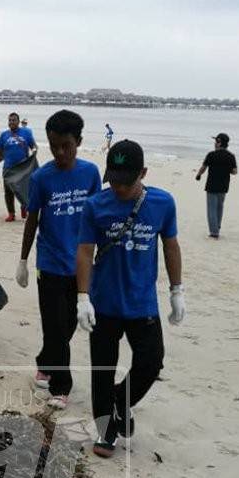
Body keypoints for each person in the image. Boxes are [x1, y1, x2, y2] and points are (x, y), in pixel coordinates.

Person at [76, 139, 185, 458]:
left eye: (127, 182)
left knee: (151, 362)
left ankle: (120, 403)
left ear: (143, 173)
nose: (119, 189)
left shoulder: (163, 203)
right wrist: (83, 297)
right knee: (102, 370)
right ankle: (106, 431)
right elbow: (84, 250)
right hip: (104, 303)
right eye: (115, 181)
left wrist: (177, 290)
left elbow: (171, 246)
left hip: (142, 303)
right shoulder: (95, 205)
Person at [16, 110, 101, 408]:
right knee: (53, 324)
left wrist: (100, 254)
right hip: (49, 262)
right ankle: (61, 388)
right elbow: (32, 219)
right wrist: (24, 260)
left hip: (79, 263)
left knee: (66, 326)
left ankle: (45, 360)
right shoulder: (41, 177)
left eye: (66, 145)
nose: (60, 152)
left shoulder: (90, 173)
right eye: (54, 146)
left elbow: (96, 217)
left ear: (78, 141)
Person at [0, 112, 36, 222]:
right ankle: (11, 214)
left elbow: (33, 146)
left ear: (18, 121)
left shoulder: (26, 133)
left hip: (23, 168)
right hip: (8, 168)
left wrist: (34, 151)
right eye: (10, 120)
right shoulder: (4, 135)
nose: (11, 122)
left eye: (14, 120)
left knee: (24, 190)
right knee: (9, 192)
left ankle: (24, 206)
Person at [195, 133, 237, 239]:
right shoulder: (231, 156)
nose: (214, 144)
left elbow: (203, 167)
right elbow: (234, 171)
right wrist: (226, 168)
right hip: (224, 186)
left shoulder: (211, 155)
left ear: (219, 142)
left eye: (216, 141)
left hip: (211, 185)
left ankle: (214, 232)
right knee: (219, 207)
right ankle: (217, 226)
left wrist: (198, 175)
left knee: (211, 209)